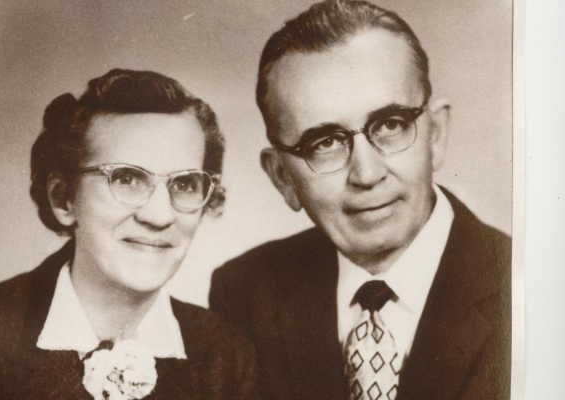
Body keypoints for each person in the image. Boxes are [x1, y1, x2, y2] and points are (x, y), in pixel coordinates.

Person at [209, 1, 511, 399]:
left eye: (390, 125)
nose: (367, 175)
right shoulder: (245, 293)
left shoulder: (534, 287)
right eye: (325, 143)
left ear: (435, 135)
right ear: (283, 177)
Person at [0, 69, 258, 400]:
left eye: (184, 184)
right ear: (63, 198)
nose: (160, 216)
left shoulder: (228, 356)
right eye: (126, 179)